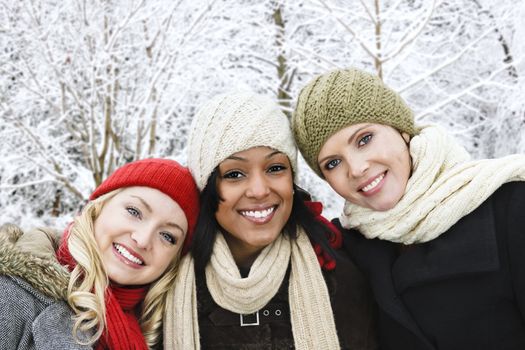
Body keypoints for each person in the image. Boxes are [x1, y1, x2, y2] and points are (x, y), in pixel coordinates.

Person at [292, 67, 525, 349]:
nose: (356, 168)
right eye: (332, 163)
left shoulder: (509, 206)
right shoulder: (345, 248)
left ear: (401, 130)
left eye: (364, 139)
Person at [163, 91, 379, 349]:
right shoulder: (164, 281)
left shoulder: (342, 274)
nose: (259, 190)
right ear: (207, 185)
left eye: (275, 168)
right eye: (234, 174)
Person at [0, 158, 199, 349]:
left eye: (167, 236)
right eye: (134, 211)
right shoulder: (11, 295)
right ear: (98, 208)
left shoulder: (162, 334)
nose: (143, 239)